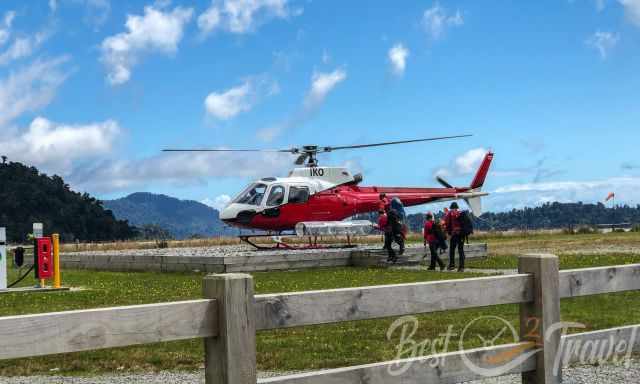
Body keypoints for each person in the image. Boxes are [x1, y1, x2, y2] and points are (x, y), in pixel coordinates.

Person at [444, 202, 465, 272]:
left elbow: (446, 223)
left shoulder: (450, 213)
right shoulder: (461, 213)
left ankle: (452, 265)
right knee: (461, 250)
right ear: (457, 207)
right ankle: (461, 267)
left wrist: (447, 232)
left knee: (452, 250)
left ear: (451, 208)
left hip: (454, 234)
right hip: (462, 234)